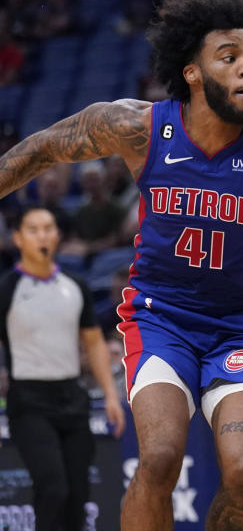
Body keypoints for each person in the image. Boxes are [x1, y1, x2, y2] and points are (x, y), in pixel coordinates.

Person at [0, 0, 243, 530]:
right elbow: (44, 147)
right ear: (191, 72)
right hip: (161, 319)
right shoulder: (139, 128)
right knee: (158, 461)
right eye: (229, 58)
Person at [0, 205, 126, 531]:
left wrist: (111, 395)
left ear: (57, 236)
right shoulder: (8, 289)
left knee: (78, 494)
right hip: (28, 401)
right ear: (18, 238)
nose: (42, 235)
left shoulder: (76, 286)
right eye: (33, 229)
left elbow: (95, 343)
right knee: (53, 487)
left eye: (48, 228)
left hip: (73, 397)